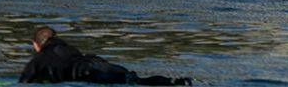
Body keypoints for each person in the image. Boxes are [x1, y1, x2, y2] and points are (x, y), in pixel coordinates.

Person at [18, 26, 190, 85]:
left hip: (90, 75)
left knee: (128, 82)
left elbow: (23, 82)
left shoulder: (40, 59)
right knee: (134, 80)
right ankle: (172, 82)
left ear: (36, 44)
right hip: (100, 65)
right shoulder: (70, 49)